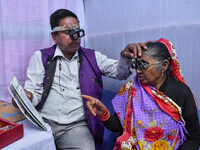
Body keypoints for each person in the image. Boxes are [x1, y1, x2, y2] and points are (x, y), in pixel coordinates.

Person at [12, 9, 150, 150]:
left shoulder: (93, 57)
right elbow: (34, 93)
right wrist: (26, 97)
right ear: (54, 36)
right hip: (43, 122)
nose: (75, 36)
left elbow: (119, 73)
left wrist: (125, 56)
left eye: (77, 31)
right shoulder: (40, 57)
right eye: (67, 32)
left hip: (75, 126)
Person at [82, 38, 200, 150]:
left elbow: (194, 138)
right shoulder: (131, 89)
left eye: (143, 65)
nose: (138, 71)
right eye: (136, 65)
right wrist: (103, 113)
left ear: (164, 65)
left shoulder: (181, 92)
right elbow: (117, 126)